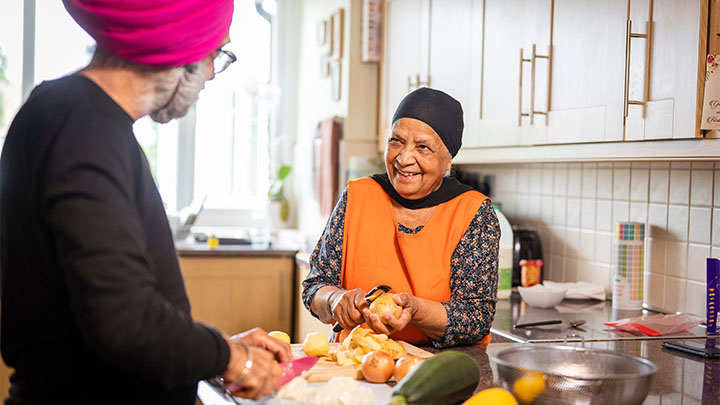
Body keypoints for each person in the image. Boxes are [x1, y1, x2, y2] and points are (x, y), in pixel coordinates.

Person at [0, 1, 290, 403]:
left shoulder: (76, 117)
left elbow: (115, 303)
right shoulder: (82, 129)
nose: (209, 75)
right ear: (180, 49)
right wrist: (230, 357)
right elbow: (123, 319)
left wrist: (213, 352)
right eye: (215, 54)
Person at [303, 87, 500, 348]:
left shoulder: (473, 213)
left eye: (423, 147)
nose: (404, 158)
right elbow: (315, 286)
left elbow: (475, 318)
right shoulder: (357, 197)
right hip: (356, 362)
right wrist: (334, 301)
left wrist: (415, 311)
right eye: (396, 141)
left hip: (435, 371)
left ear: (448, 160)